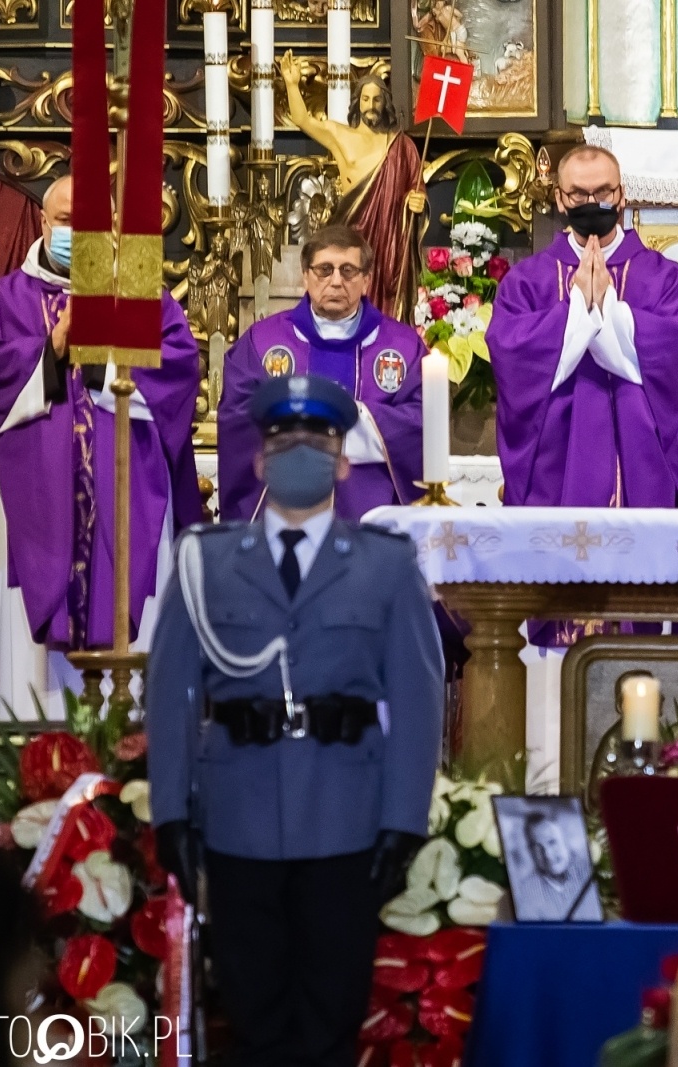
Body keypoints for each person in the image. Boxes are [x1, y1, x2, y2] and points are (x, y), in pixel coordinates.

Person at [147, 373, 444, 1067]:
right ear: (260, 459)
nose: (300, 451)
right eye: (284, 439)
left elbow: (420, 694)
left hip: (346, 820)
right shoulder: (206, 561)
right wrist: (170, 814)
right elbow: (171, 694)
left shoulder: (387, 565)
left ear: (343, 460)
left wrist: (403, 820)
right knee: (253, 1023)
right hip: (238, 818)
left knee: (331, 1025)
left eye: (318, 440)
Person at [0, 174, 201, 719]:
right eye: (66, 221)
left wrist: (107, 358)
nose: (79, 234)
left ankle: (126, 782)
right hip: (25, 516)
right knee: (29, 687)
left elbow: (178, 374)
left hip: (123, 510)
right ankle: (21, 784)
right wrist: (50, 351)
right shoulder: (1, 301)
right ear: (43, 223)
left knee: (124, 688)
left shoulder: (143, 299)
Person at [486, 145, 678, 509]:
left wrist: (607, 307)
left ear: (621, 195)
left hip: (641, 470)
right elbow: (511, 355)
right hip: (554, 474)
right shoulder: (527, 281)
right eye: (578, 194)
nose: (592, 201)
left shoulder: (664, 277)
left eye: (603, 191)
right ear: (559, 199)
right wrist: (577, 307)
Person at [217, 225, 424, 522]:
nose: (336, 281)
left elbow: (422, 420)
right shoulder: (263, 342)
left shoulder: (403, 347)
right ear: (305, 275)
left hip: (373, 513)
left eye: (349, 271)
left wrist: (356, 418)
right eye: (324, 270)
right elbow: (237, 417)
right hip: (285, 508)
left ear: (367, 280)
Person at [280, 53, 425, 320]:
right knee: (344, 296)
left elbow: (415, 189)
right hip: (350, 237)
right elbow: (303, 120)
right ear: (358, 102)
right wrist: (291, 84)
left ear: (386, 103)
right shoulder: (340, 135)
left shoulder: (401, 146)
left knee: (384, 307)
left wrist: (416, 202)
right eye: (366, 99)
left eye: (377, 99)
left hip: (388, 242)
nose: (371, 105)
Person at [519, 811, 597, 920]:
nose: (547, 854)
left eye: (552, 842)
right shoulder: (526, 892)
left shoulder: (589, 873)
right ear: (530, 851)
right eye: (538, 848)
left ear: (566, 840)